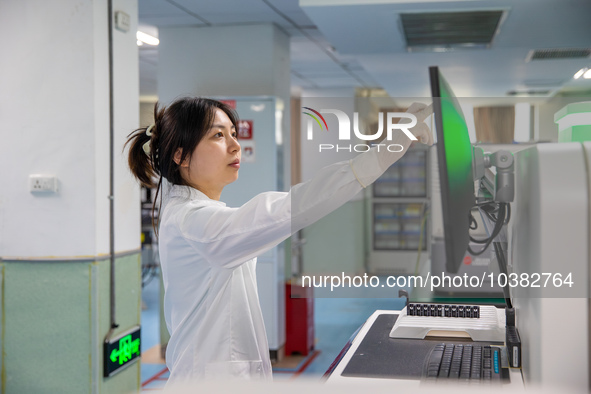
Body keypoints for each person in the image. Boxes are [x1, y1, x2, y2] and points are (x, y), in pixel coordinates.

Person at [125, 97, 432, 386]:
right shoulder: (193, 222)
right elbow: (287, 208)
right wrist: (383, 153)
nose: (236, 146)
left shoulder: (199, 214)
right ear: (180, 155)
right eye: (219, 136)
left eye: (234, 133)